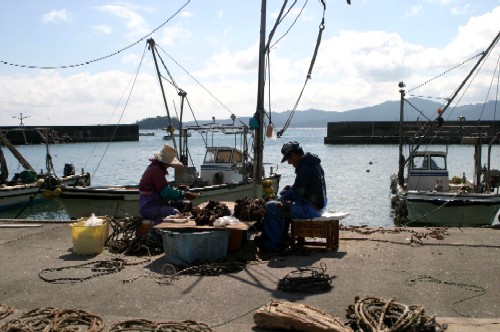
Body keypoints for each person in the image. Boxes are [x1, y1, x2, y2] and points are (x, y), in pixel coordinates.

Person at [255, 141, 327, 251]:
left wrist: (284, 193)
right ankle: (282, 237)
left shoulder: (305, 168)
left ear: (293, 155)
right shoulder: (313, 163)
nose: (289, 163)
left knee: (271, 206)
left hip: (311, 209)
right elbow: (303, 188)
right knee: (282, 204)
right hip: (319, 205)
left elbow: (296, 193)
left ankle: (270, 244)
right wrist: (289, 191)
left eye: (289, 159)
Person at [139, 144, 198, 224]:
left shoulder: (156, 168)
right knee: (175, 213)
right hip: (150, 207)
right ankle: (159, 234)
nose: (169, 166)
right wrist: (184, 194)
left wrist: (178, 189)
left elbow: (163, 188)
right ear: (164, 162)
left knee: (186, 205)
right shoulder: (156, 171)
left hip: (158, 203)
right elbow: (165, 193)